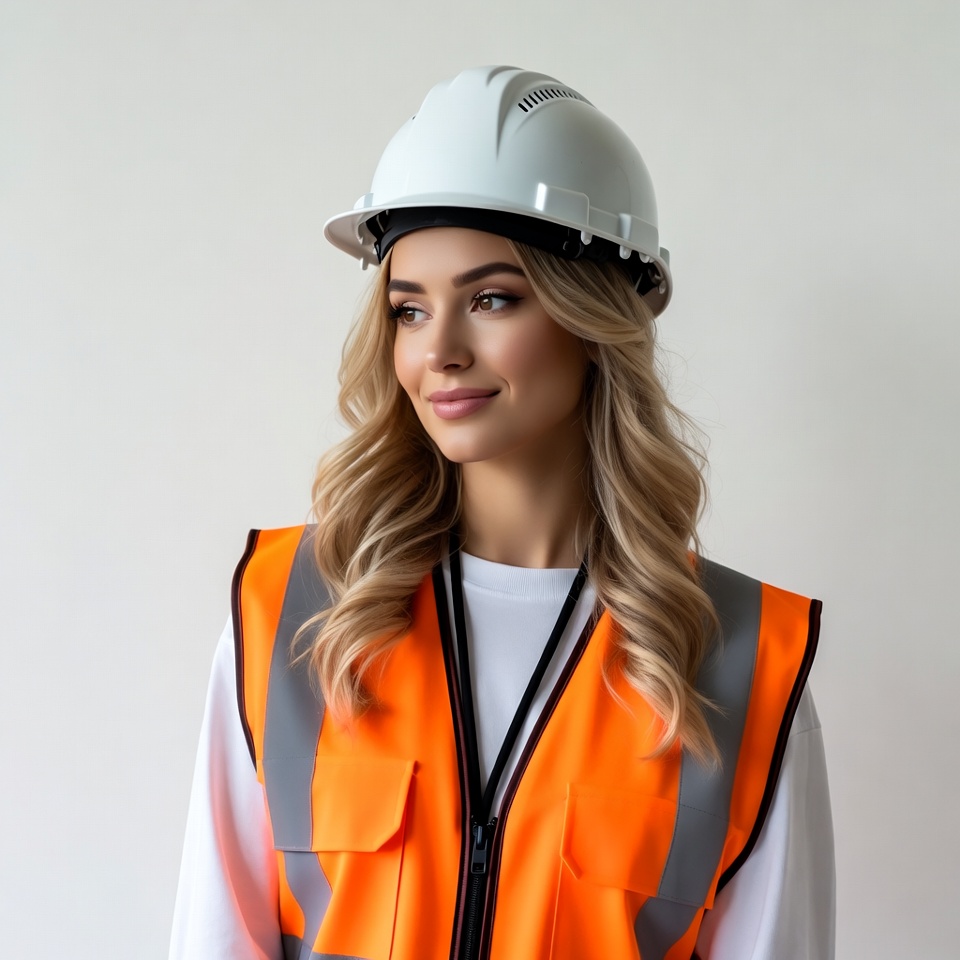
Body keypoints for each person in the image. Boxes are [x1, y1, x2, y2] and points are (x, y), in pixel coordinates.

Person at [170, 66, 835, 960]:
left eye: (491, 300)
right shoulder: (290, 617)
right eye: (409, 310)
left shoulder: (742, 661)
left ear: (594, 320)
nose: (439, 350)